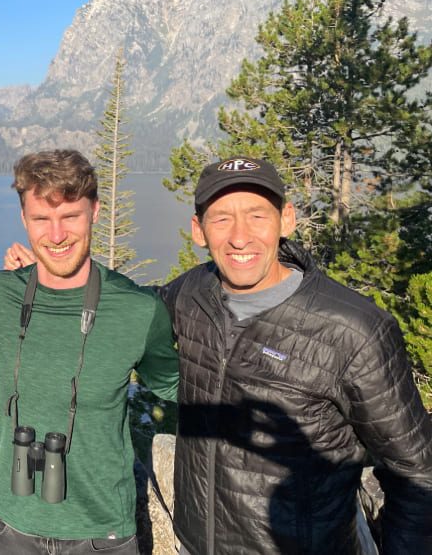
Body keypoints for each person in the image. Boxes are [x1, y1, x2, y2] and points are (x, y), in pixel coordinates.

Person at [159, 156, 432, 555]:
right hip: (196, 544)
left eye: (257, 216)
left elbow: (417, 469)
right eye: (221, 219)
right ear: (198, 231)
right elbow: (130, 315)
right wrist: (41, 277)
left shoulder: (353, 329)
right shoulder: (190, 293)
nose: (239, 237)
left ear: (286, 219)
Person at [0, 148, 177, 555]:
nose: (56, 235)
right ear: (23, 219)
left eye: (70, 216)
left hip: (99, 532)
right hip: (5, 525)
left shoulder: (136, 309)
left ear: (95, 212)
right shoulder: (0, 294)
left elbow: (183, 387)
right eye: (41, 219)